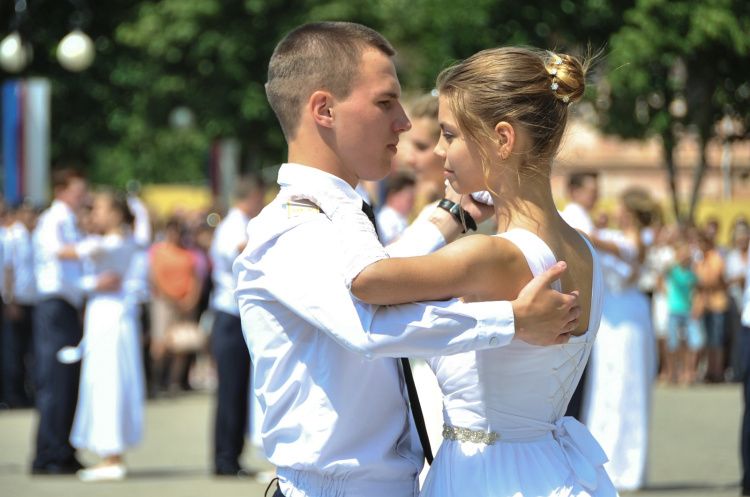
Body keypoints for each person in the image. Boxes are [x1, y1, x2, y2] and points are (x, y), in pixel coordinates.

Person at [234, 22, 581, 497]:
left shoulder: (332, 216)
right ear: (324, 109)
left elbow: (385, 271)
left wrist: (450, 217)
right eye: (385, 102)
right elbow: (368, 324)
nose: (402, 121)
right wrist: (511, 320)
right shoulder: (292, 228)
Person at [329, 46, 616, 497]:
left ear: (502, 139)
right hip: (554, 466)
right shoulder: (583, 249)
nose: (440, 149)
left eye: (449, 134)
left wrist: (345, 198)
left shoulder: (490, 255)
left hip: (488, 475)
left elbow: (366, 280)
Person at [30, 168, 121, 475]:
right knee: (55, 382)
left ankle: (64, 450)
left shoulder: (70, 221)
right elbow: (59, 254)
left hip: (69, 306)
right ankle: (47, 455)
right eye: (78, 190)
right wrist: (91, 247)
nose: (84, 196)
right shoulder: (53, 219)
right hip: (54, 306)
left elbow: (77, 272)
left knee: (69, 381)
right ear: (61, 191)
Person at [62, 191, 144, 482]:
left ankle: (111, 454)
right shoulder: (119, 241)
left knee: (108, 382)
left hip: (110, 316)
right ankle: (110, 452)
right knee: (104, 380)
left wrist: (89, 282)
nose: (93, 214)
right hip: (106, 314)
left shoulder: (112, 242)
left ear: (117, 214)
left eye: (99, 209)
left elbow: (61, 252)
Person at [582, 187, 657, 491]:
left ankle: (628, 463)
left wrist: (577, 230)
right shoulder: (614, 234)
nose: (616, 209)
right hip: (611, 314)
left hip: (629, 316)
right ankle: (604, 457)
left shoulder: (640, 239)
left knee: (628, 384)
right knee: (606, 384)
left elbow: (615, 248)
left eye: (622, 206)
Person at [209, 175, 265, 477]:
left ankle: (230, 456)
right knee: (230, 390)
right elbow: (238, 250)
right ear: (252, 196)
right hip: (229, 316)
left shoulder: (240, 221)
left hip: (235, 316)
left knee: (239, 389)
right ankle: (225, 458)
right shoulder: (234, 224)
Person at [560, 170, 598, 420]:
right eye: (590, 190)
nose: (595, 196)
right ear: (574, 191)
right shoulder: (572, 217)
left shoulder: (584, 217)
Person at [2, 202, 38, 408]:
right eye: (26, 211)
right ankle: (12, 395)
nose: (30, 215)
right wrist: (10, 300)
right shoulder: (12, 237)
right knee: (13, 351)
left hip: (33, 300)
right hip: (17, 300)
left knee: (31, 351)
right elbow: (8, 270)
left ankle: (27, 391)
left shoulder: (33, 236)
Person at [694, 230, 729, 382]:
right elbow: (696, 279)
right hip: (704, 304)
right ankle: (709, 370)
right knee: (706, 340)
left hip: (716, 304)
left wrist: (703, 284)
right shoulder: (700, 260)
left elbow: (715, 280)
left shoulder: (716, 258)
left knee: (717, 340)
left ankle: (717, 371)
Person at [376, 171, 416, 244]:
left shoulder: (399, 218)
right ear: (393, 196)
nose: (412, 204)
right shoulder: (386, 219)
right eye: (409, 200)